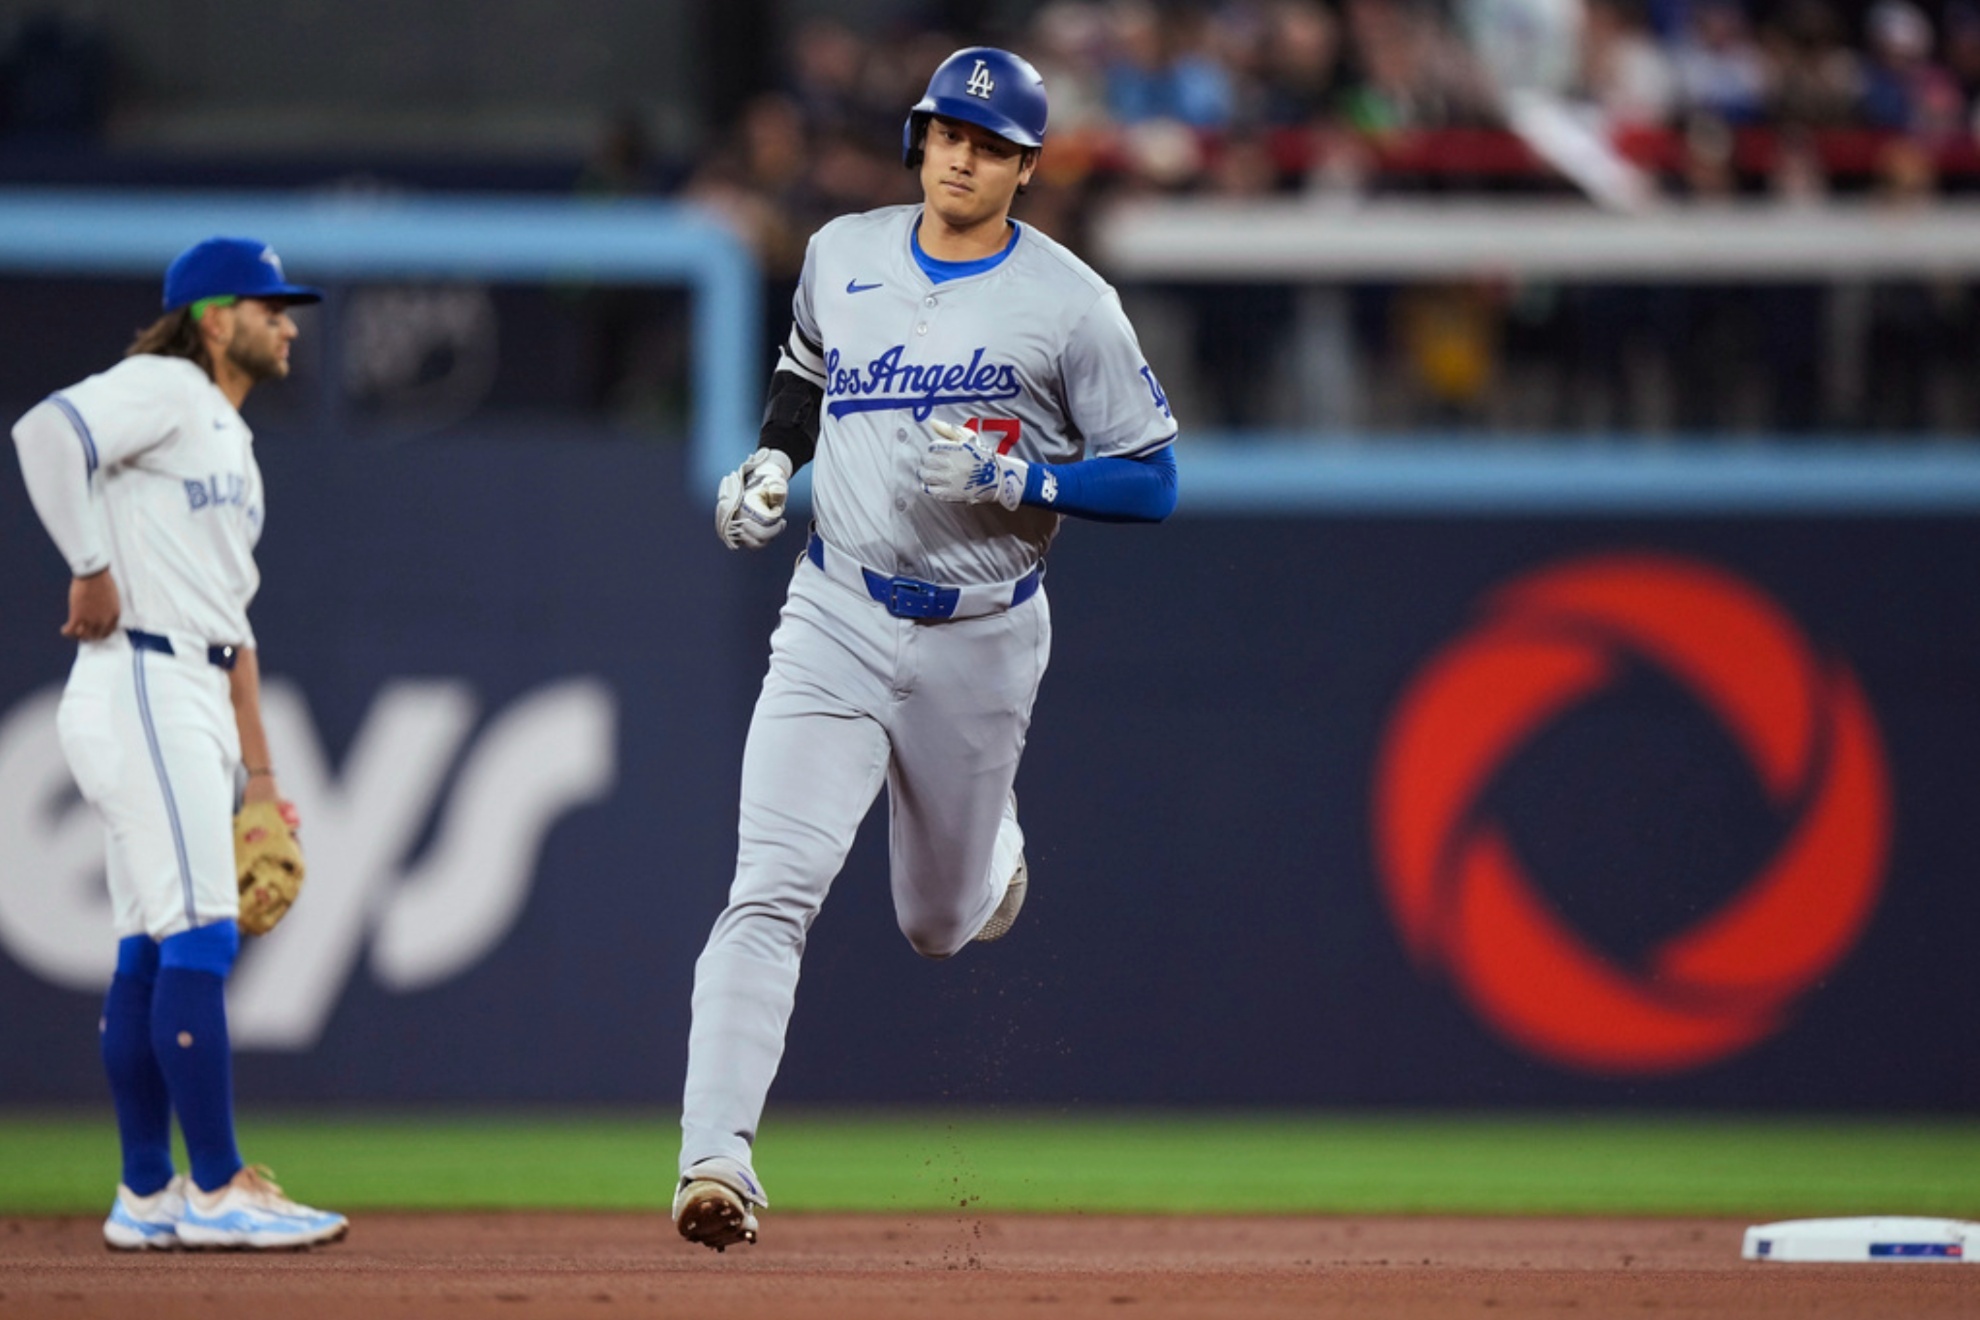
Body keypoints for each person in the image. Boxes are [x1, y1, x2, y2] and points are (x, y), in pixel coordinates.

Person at [674, 45, 1179, 1252]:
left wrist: (1031, 474)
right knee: (770, 888)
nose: (963, 155)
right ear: (920, 139)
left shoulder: (1070, 302)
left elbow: (1155, 480)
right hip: (834, 612)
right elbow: (802, 371)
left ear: (1025, 166)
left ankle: (993, 844)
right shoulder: (843, 254)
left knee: (939, 924)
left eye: (991, 143)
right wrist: (771, 462)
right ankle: (715, 1164)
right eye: (948, 133)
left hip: (982, 634)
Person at [10, 236, 348, 1251]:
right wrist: (88, 562)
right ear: (212, 316)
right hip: (142, 678)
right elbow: (40, 433)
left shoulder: (230, 442)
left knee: (153, 944)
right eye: (268, 304)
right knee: (200, 933)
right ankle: (217, 1187)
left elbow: (233, 627)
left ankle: (147, 1192)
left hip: (189, 681)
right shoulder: (161, 384)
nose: (286, 322)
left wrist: (261, 777)